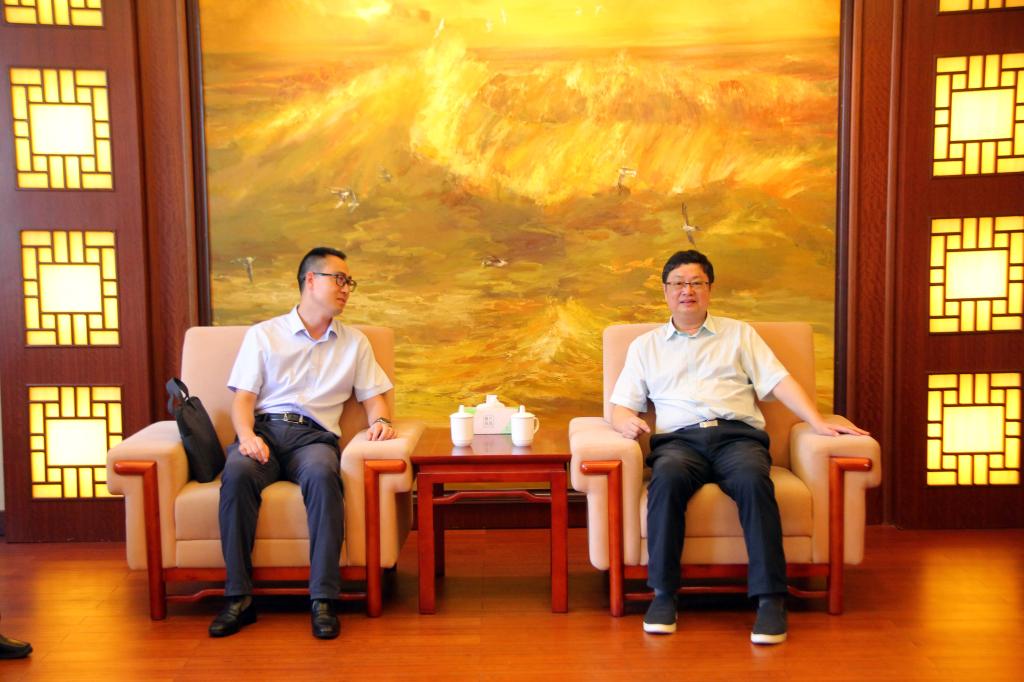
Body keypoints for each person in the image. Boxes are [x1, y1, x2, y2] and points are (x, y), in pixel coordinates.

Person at [610, 250, 868, 644]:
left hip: (737, 437)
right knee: (666, 479)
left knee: (753, 481)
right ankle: (663, 595)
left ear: (709, 289)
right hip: (680, 441)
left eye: (696, 283)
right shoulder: (645, 347)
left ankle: (770, 600)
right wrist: (624, 420)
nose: (686, 291)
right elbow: (620, 405)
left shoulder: (739, 334)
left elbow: (779, 381)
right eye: (678, 283)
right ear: (665, 291)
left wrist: (818, 421)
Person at [209, 246, 397, 640]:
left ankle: (323, 599)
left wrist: (380, 421)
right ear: (310, 280)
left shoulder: (354, 342)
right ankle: (238, 597)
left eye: (349, 282)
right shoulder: (264, 335)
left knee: (324, 477)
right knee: (238, 473)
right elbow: (242, 400)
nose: (346, 289)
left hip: (314, 438)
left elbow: (374, 398)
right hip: (265, 431)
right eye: (339, 279)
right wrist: (246, 438)